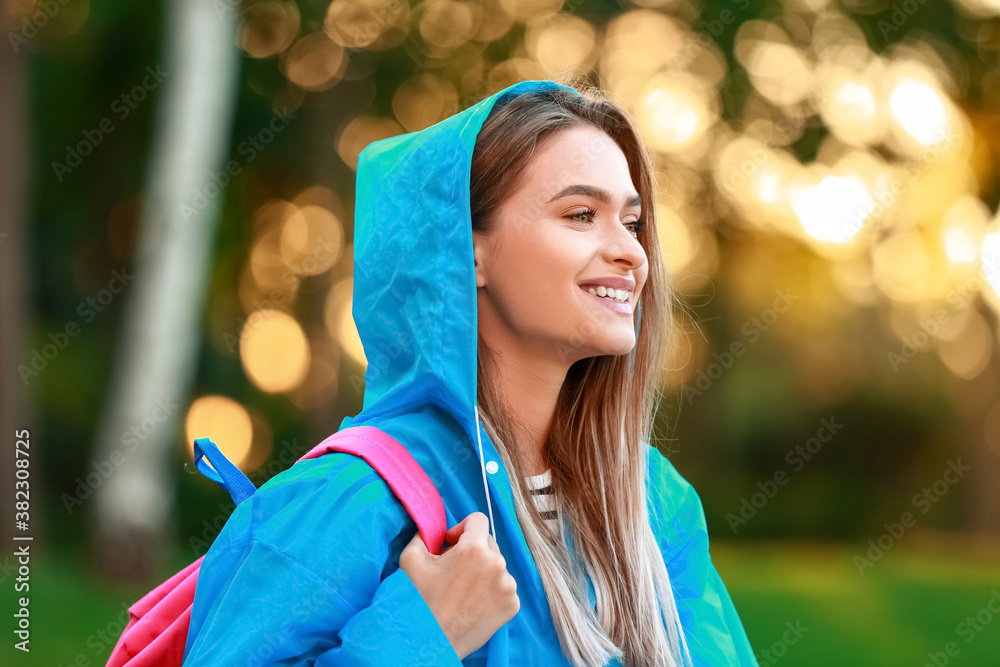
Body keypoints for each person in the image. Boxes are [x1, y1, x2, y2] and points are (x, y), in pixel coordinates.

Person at [181, 78, 757, 666]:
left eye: (631, 223)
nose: (632, 252)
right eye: (582, 214)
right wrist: (420, 635)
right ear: (466, 250)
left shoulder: (654, 501)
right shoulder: (346, 503)